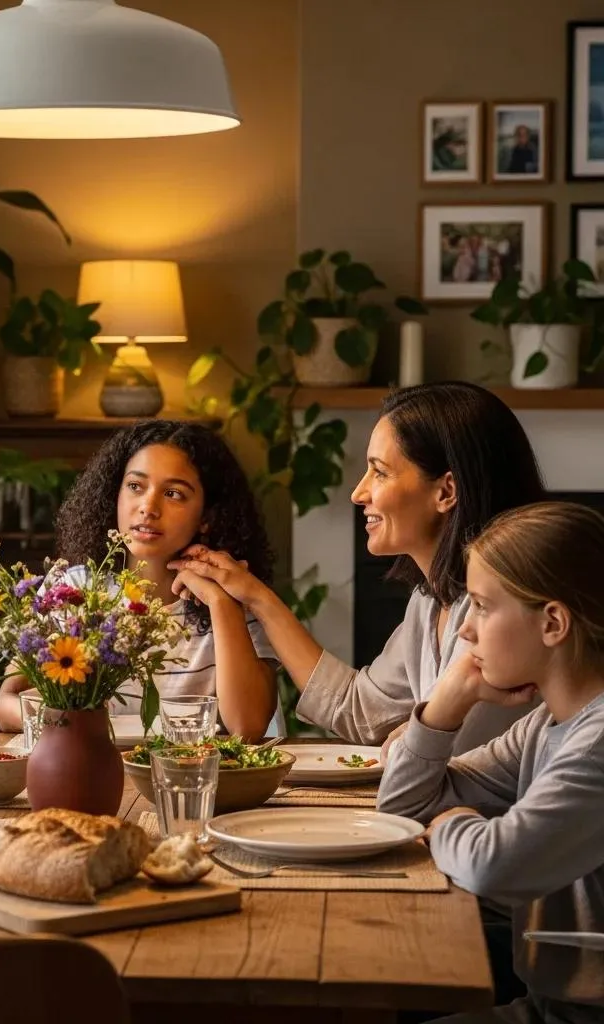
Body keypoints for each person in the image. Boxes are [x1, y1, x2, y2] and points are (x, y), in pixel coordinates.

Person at [168, 382, 546, 752]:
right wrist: (254, 595)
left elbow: (444, 756)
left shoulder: (500, 612)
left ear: (445, 492)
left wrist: (406, 738)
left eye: (379, 472)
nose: (358, 493)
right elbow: (360, 711)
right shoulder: (428, 603)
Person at [377, 502, 604, 1023]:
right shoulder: (545, 724)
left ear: (552, 623)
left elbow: (494, 865)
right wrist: (445, 706)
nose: (465, 631)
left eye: (481, 606)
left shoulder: (595, 743)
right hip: (547, 1004)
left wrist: (453, 822)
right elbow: (401, 806)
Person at [0, 420, 280, 741]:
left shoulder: (235, 600)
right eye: (135, 486)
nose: (148, 507)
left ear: (207, 519)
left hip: (190, 779)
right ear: (112, 495)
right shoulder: (71, 592)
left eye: (173, 494)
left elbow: (248, 727)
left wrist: (219, 601)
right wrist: (73, 717)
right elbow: (5, 705)